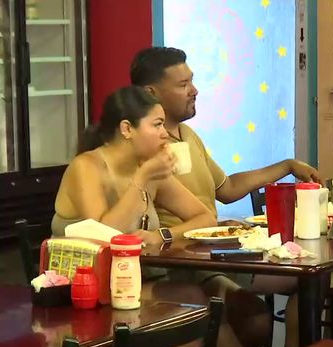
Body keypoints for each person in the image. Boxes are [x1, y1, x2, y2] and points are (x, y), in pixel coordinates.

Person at [129, 46, 319, 347]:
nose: (194, 90)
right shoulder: (144, 148)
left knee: (280, 300)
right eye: (183, 84)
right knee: (255, 314)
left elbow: (226, 188)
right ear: (151, 92)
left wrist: (287, 165)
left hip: (211, 256)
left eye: (192, 81)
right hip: (177, 265)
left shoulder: (188, 135)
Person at [53, 86, 216, 243]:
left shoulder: (149, 168)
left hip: (139, 262)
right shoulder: (86, 166)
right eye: (157, 124)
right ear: (127, 129)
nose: (165, 134)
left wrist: (162, 235)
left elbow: (206, 218)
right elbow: (104, 238)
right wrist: (142, 178)